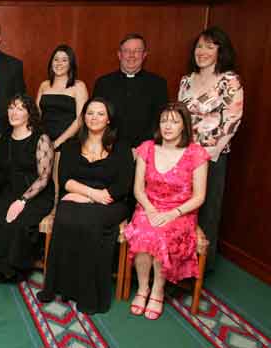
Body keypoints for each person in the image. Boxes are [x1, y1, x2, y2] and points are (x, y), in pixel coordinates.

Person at [36, 97, 133, 314]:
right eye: (90, 113)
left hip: (111, 200)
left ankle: (89, 295)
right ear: (83, 117)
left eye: (100, 113)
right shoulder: (72, 146)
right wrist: (89, 194)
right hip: (77, 194)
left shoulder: (121, 147)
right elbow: (66, 179)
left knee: (90, 222)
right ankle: (59, 287)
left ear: (109, 119)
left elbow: (123, 185)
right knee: (65, 217)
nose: (94, 118)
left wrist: (95, 197)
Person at [123, 103, 209, 320]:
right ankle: (143, 288)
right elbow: (138, 189)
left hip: (180, 212)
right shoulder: (147, 148)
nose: (168, 126)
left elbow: (199, 196)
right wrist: (150, 211)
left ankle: (157, 291)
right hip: (148, 206)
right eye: (164, 121)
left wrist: (173, 214)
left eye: (174, 121)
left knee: (161, 236)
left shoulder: (196, 154)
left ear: (184, 126)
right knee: (144, 233)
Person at [178, 26, 243, 269]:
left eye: (209, 46)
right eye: (199, 46)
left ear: (220, 51)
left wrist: (205, 154)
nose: (202, 51)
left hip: (211, 158)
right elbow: (179, 117)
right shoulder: (187, 80)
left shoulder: (230, 80)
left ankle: (201, 266)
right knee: (182, 210)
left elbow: (231, 122)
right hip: (183, 155)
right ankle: (178, 264)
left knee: (207, 211)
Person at [0, 94, 54, 282]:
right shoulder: (3, 136)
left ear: (30, 114)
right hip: (9, 188)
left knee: (18, 222)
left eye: (20, 108)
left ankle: (14, 270)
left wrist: (22, 201)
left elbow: (44, 177)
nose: (14, 112)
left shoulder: (42, 139)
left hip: (35, 193)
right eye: (11, 107)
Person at [93, 33, 167, 152]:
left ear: (144, 55)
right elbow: (95, 120)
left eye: (137, 51)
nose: (132, 55)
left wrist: (144, 148)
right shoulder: (103, 83)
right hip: (109, 150)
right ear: (119, 55)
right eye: (127, 51)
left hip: (146, 151)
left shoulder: (158, 84)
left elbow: (161, 121)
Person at [36, 44, 88, 150]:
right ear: (51, 62)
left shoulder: (79, 86)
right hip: (43, 140)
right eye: (56, 59)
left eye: (64, 60)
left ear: (70, 64)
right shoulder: (44, 85)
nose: (59, 63)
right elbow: (36, 115)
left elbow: (80, 119)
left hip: (68, 141)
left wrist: (57, 143)